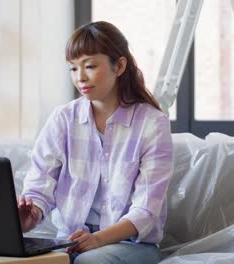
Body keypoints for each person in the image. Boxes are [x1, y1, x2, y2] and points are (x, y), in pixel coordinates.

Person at [18, 21, 173, 264]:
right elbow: (40, 184)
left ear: (119, 65)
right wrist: (32, 214)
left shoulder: (152, 123)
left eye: (89, 66)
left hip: (130, 245)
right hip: (69, 242)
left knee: (88, 262)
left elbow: (145, 211)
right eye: (72, 68)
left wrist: (98, 239)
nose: (80, 77)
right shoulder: (63, 119)